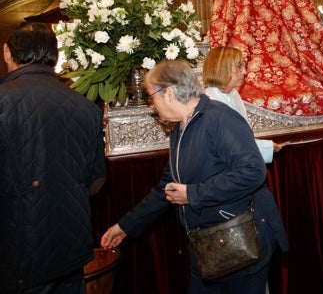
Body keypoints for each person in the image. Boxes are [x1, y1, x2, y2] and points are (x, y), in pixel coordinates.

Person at [101, 60, 288, 293]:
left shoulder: (219, 118)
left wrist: (193, 193)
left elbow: (252, 172)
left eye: (152, 96)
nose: (152, 105)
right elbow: (167, 188)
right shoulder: (180, 128)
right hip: (209, 245)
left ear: (168, 92)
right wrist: (124, 226)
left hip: (242, 240)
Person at [0, 22, 106, 293]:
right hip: (71, 247)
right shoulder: (86, 106)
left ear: (7, 53)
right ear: (56, 57)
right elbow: (96, 181)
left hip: (16, 252)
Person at [202, 46, 284, 158]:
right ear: (222, 67)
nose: (244, 72)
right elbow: (228, 145)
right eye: (239, 66)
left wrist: (269, 147)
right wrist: (267, 147)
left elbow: (241, 137)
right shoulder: (209, 102)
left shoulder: (234, 95)